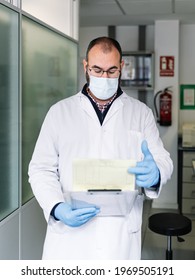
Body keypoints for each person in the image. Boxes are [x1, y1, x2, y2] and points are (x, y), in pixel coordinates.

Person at [28, 36, 173, 260]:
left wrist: (156, 174)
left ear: (122, 67)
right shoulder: (59, 112)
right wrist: (57, 207)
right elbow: (40, 169)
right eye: (97, 70)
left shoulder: (140, 113)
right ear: (85, 66)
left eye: (111, 70)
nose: (104, 77)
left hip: (120, 236)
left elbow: (162, 159)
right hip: (70, 239)